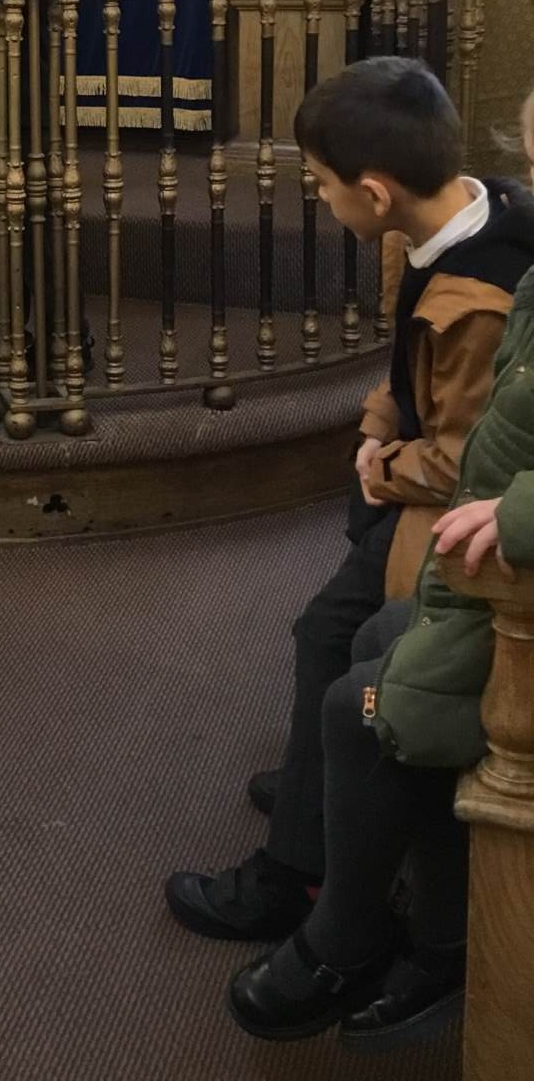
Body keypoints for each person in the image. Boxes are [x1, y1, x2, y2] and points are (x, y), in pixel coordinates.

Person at [165, 57, 534, 944]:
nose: (322, 199)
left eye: (323, 186)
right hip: (428, 479)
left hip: (462, 518)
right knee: (334, 630)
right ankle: (319, 782)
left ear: (373, 193)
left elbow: (468, 457)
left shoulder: (481, 297)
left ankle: (294, 872)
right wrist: (377, 423)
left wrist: (385, 468)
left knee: (331, 632)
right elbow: (410, 370)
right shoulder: (462, 213)